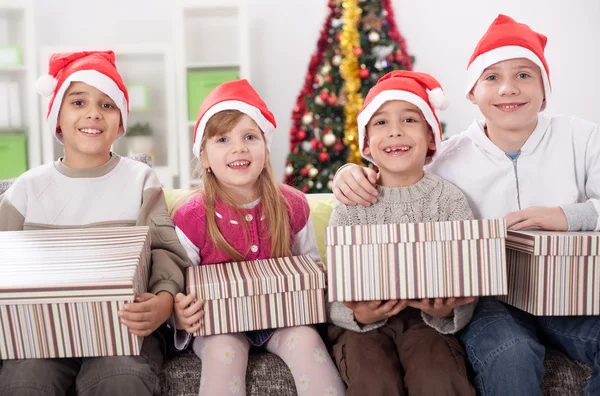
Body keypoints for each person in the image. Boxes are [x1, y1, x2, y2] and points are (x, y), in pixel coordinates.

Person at [332, 15, 600, 396]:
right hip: (493, 302)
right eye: (492, 77)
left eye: (524, 75)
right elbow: (399, 172)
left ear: (545, 88)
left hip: (570, 292)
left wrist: (568, 215)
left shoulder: (582, 138)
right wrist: (347, 172)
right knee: (511, 353)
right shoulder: (448, 159)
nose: (509, 88)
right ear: (472, 92)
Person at [0, 50, 189, 396]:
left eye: (107, 105)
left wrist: (163, 300)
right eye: (78, 102)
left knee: (121, 375)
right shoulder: (27, 188)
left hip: (122, 325)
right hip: (42, 330)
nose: (93, 113)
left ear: (120, 122)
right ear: (57, 115)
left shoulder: (140, 179)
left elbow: (164, 249)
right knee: (23, 381)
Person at [171, 79, 346, 396]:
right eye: (222, 139)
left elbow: (312, 266)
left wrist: (320, 279)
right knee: (224, 351)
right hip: (219, 326)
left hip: (283, 320)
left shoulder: (292, 205)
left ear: (265, 149)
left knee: (306, 341)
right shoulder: (190, 217)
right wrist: (179, 312)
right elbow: (178, 283)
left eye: (249, 137)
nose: (238, 148)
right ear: (206, 158)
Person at [328, 70, 476, 396]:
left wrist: (445, 311)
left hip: (428, 325)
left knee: (438, 380)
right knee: (372, 381)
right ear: (366, 142)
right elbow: (334, 290)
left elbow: (468, 284)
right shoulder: (350, 205)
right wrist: (358, 314)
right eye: (380, 123)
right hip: (362, 329)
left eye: (409, 120)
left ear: (431, 137)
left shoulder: (449, 200)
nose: (395, 132)